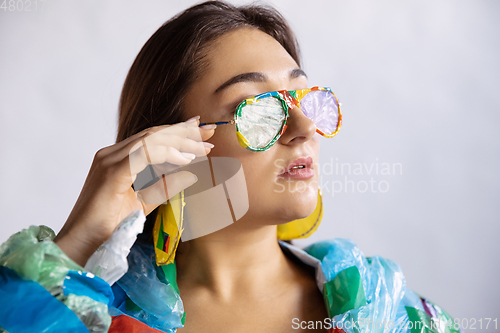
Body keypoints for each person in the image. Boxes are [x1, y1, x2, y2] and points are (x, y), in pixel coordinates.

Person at [0, 1, 459, 333]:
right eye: (258, 108)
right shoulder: (93, 316)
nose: (303, 128)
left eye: (303, 98)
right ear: (169, 145)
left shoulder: (390, 311)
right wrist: (81, 240)